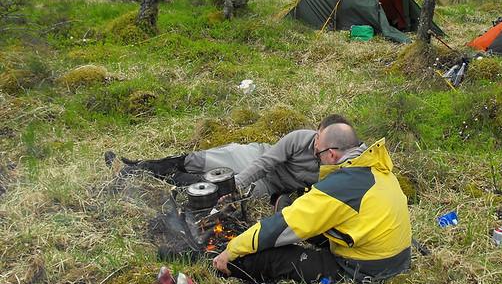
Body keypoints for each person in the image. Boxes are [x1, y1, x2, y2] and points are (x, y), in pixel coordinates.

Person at [212, 123, 411, 284]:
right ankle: (285, 209)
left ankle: (230, 268)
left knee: (265, 258)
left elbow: (281, 227)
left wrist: (232, 250)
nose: (318, 159)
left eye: (318, 155)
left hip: (365, 268)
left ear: (332, 154)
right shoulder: (376, 167)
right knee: (311, 221)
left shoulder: (340, 186)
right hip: (395, 257)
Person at [105, 114, 351, 203]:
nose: (315, 141)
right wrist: (237, 183)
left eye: (321, 140)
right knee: (198, 160)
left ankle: (149, 177)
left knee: (209, 187)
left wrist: (231, 189)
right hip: (254, 157)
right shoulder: (299, 138)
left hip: (269, 185)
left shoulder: (339, 164)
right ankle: (137, 166)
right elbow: (264, 163)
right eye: (317, 135)